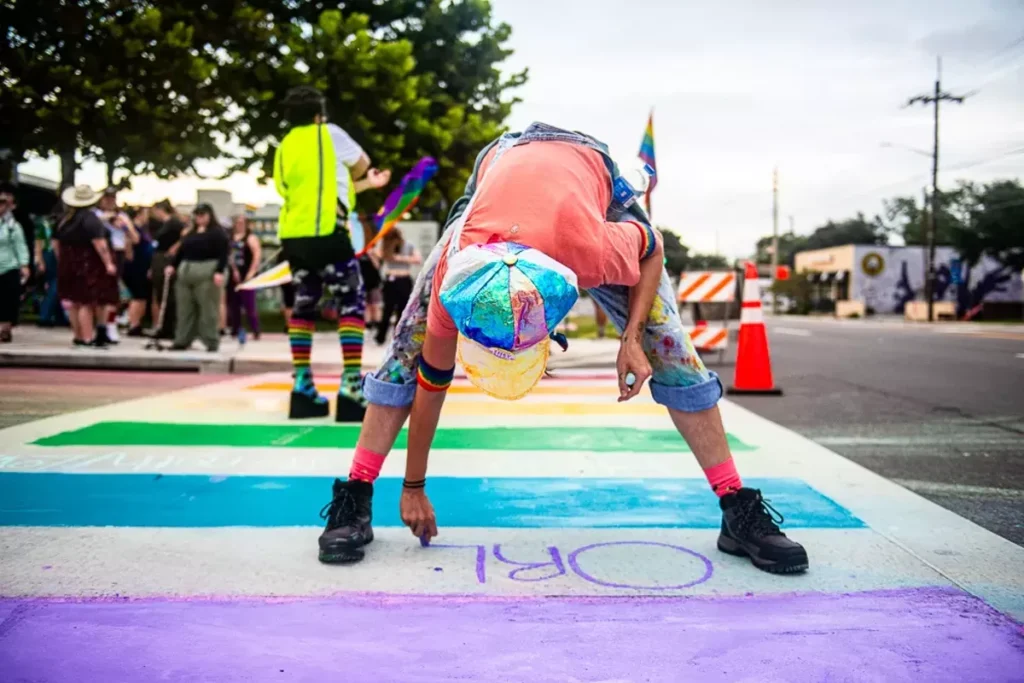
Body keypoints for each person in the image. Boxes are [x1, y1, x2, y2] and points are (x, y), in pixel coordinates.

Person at [316, 123, 809, 575]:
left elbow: (652, 246)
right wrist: (413, 486)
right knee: (406, 348)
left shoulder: (590, 251)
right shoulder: (456, 274)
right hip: (500, 165)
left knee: (671, 349)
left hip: (589, 172)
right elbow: (430, 380)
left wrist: (631, 338)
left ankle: (736, 505)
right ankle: (355, 495)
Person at [272, 85, 390, 421]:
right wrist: (362, 178)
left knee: (304, 303)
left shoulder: (284, 147)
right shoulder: (330, 134)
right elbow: (361, 164)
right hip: (330, 232)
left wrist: (361, 185)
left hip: (294, 236)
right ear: (317, 114)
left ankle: (302, 389)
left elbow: (287, 188)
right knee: (351, 302)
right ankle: (351, 388)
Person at [53, 185, 119, 348]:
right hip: (88, 263)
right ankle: (88, 337)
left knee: (74, 302)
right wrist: (108, 263)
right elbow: (99, 243)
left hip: (68, 263)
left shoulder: (63, 220)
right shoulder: (90, 219)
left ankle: (79, 336)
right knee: (86, 302)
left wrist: (61, 260)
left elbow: (56, 244)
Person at [164, 204, 228, 352]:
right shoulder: (190, 232)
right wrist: (173, 265)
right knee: (185, 308)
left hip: (206, 270)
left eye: (202, 214)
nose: (199, 217)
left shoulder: (218, 233)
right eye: (197, 215)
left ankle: (211, 340)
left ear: (209, 215)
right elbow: (181, 251)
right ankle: (182, 339)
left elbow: (223, 253)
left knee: (208, 308)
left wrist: (219, 271)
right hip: (187, 270)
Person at [96, 187, 139, 344]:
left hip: (118, 253)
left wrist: (124, 226)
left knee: (114, 294)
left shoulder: (122, 216)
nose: (109, 202)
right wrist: (106, 219)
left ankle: (110, 323)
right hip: (100, 253)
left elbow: (135, 238)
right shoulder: (96, 216)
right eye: (106, 198)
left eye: (112, 199)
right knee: (102, 294)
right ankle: (101, 324)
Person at [374, 227, 421, 345]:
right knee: (389, 309)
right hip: (391, 279)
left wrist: (398, 258)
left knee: (401, 309)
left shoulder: (408, 245)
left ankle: (397, 336)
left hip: (403, 279)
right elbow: (377, 255)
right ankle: (383, 336)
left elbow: (418, 259)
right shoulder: (385, 246)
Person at [150, 199, 185, 339]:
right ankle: (164, 326)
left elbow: (186, 234)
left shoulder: (174, 223)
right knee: (159, 293)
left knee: (168, 294)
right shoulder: (163, 224)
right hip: (158, 257)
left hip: (166, 257)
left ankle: (170, 327)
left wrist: (175, 247)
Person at [0, 182, 31, 343]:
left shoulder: (13, 226)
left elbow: (21, 245)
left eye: (3, 203)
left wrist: (24, 264)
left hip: (8, 266)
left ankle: (5, 329)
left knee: (8, 299)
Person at [227, 214, 262, 340]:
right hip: (234, 274)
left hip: (247, 273)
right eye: (237, 222)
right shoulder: (231, 238)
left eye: (242, 222)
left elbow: (257, 255)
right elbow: (229, 255)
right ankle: (235, 329)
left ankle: (255, 329)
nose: (239, 225)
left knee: (249, 304)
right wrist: (234, 270)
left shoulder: (250, 238)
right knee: (233, 304)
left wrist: (251, 273)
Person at [33, 204, 66, 328]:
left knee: (56, 285)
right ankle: (45, 316)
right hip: (50, 254)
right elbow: (39, 242)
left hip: (49, 254)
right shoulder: (49, 224)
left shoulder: (46, 222)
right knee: (55, 285)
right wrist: (40, 260)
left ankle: (59, 316)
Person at [122, 207, 154, 336]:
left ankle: (136, 323)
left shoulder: (142, 229)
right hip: (136, 265)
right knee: (138, 295)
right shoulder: (131, 229)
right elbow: (131, 242)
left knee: (142, 296)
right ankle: (133, 323)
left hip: (143, 265)